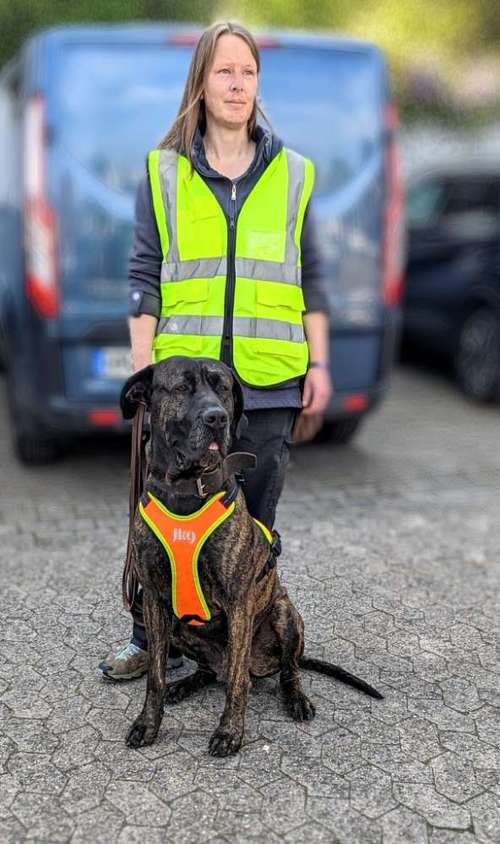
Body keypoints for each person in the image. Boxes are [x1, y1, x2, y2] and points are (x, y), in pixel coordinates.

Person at [98, 20, 332, 681]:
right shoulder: (164, 171)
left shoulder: (293, 174)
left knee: (250, 528)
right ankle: (149, 638)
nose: (238, 84)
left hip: (268, 385)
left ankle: (231, 652)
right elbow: (144, 277)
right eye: (225, 70)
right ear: (200, 81)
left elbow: (311, 276)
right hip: (181, 395)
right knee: (160, 519)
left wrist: (318, 363)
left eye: (248, 72)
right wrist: (146, 379)